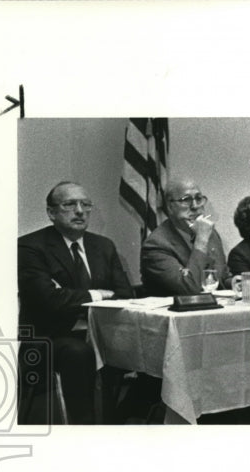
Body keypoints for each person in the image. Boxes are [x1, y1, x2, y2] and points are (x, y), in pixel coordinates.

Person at [18, 181, 133, 424]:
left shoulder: (103, 246)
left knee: (141, 347)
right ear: (51, 212)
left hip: (100, 333)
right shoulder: (30, 247)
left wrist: (69, 295)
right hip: (49, 339)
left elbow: (125, 294)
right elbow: (49, 300)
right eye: (70, 204)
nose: (80, 211)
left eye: (85, 204)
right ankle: (84, 428)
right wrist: (100, 294)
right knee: (78, 352)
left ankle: (122, 419)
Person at [140, 178, 231, 295]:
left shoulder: (211, 234)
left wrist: (235, 282)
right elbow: (189, 288)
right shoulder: (156, 244)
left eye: (198, 199)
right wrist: (201, 241)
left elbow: (221, 278)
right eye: (186, 200)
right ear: (170, 206)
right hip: (177, 311)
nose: (195, 206)